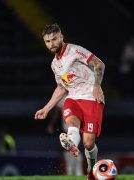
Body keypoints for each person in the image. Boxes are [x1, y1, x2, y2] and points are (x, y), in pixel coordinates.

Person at [34, 23, 105, 180]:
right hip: (72, 97)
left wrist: (96, 86)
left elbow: (99, 64)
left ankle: (91, 166)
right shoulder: (55, 65)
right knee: (71, 122)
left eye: (54, 39)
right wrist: (46, 108)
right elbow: (61, 88)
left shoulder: (75, 51)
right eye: (47, 41)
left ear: (61, 37)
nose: (51, 44)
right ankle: (71, 142)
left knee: (88, 143)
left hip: (91, 97)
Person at [46, 97, 83, 176]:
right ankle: (72, 172)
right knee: (70, 151)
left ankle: (76, 172)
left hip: (77, 128)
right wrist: (51, 125)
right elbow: (56, 113)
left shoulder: (79, 96)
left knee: (73, 151)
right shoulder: (63, 98)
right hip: (67, 128)